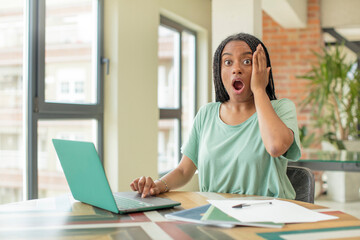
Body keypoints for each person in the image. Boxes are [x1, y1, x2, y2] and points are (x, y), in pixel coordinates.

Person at [130, 33, 301, 199]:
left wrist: (259, 90)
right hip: (216, 215)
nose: (236, 69)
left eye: (247, 61)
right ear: (219, 72)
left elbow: (276, 146)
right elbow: (184, 171)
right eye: (228, 62)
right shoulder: (206, 114)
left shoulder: (281, 109)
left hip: (270, 216)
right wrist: (158, 185)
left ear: (262, 69)